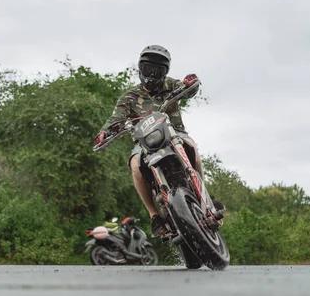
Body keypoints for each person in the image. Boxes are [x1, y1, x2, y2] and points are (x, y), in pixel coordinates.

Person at [93, 45, 224, 237]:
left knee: (193, 148)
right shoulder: (129, 97)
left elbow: (188, 90)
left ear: (165, 72)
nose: (153, 74)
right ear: (140, 69)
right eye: (148, 69)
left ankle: (204, 196)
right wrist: (104, 132)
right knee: (136, 166)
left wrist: (190, 83)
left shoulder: (170, 85)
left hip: (175, 134)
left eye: (158, 70)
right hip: (145, 144)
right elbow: (115, 120)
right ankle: (154, 215)